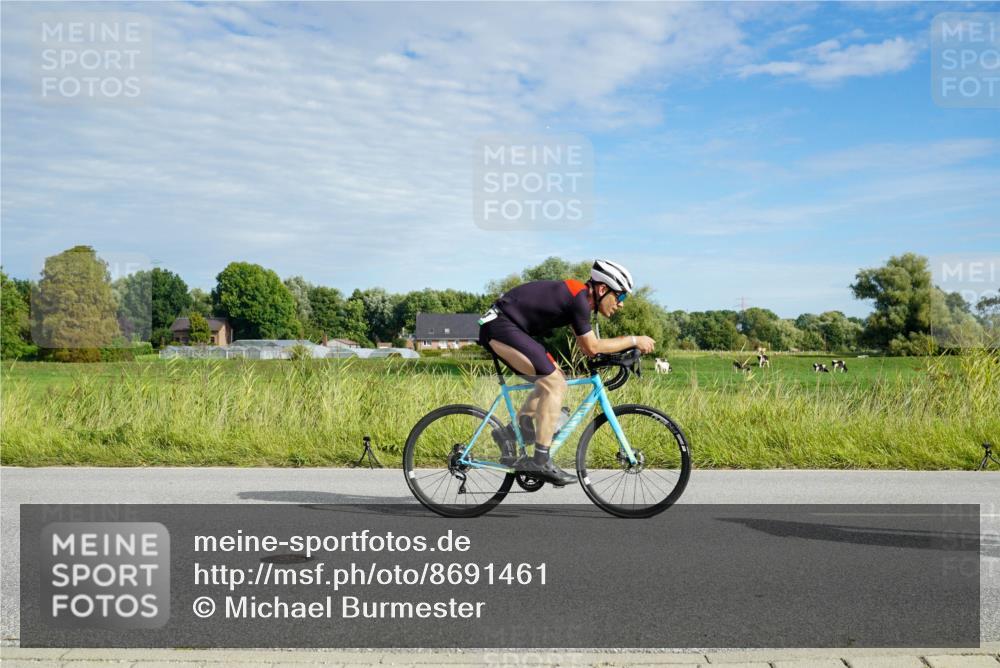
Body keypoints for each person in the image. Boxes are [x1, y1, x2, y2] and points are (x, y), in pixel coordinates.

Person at [477, 260, 656, 486]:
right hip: (501, 325)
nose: (621, 304)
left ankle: (510, 433)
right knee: (554, 384)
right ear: (603, 289)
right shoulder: (578, 299)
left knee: (555, 378)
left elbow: (587, 349)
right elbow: (592, 347)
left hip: (507, 326)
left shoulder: (578, 299)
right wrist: (634, 340)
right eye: (620, 296)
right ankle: (540, 461)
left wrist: (619, 356)